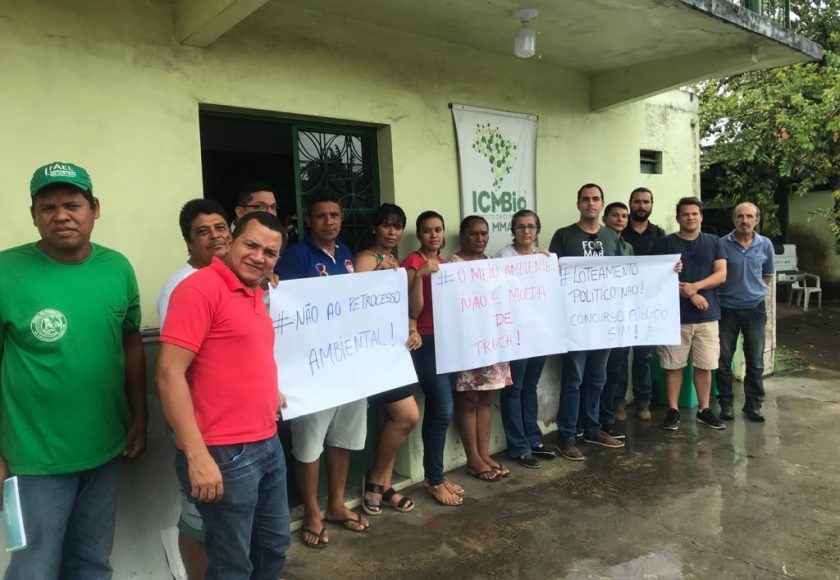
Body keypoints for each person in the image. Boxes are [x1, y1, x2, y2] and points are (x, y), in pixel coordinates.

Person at [0, 162, 146, 579]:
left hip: (104, 448)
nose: (60, 216)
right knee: (34, 567)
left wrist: (140, 416)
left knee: (91, 563)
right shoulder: (6, 271)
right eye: (47, 207)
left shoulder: (117, 267)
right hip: (33, 459)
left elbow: (131, 343)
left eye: (72, 204)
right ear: (33, 215)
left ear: (94, 208)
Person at [157, 211, 290, 580]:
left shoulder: (254, 291)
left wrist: (270, 390)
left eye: (270, 252)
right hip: (223, 452)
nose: (259, 256)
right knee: (231, 563)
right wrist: (197, 456)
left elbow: (238, 355)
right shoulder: (199, 289)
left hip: (266, 441)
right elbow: (169, 373)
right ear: (231, 241)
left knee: (273, 546)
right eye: (251, 245)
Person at [275, 191, 370, 548]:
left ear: (342, 217)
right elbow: (289, 312)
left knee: (342, 437)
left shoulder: (345, 253)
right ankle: (312, 511)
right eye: (321, 216)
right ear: (308, 220)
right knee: (309, 443)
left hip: (347, 364)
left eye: (334, 214)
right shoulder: (295, 257)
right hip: (313, 367)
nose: (329, 221)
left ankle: (336, 504)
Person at [156, 199, 232, 580]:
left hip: (233, 420)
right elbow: (174, 373)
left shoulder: (233, 278)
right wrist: (193, 444)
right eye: (203, 231)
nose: (215, 236)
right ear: (188, 241)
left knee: (225, 516)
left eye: (220, 227)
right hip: (200, 422)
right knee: (198, 517)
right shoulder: (182, 287)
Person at [549, 183, 625, 461]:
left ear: (602, 204)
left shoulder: (610, 237)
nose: (590, 203)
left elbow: (626, 273)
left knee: (597, 378)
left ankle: (592, 428)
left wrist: (669, 269)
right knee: (574, 379)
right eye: (585, 199)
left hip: (604, 321)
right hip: (575, 322)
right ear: (578, 203)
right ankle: (567, 436)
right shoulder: (564, 236)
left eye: (595, 199)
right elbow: (551, 275)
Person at [357, 203, 422, 516]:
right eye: (386, 225)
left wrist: (412, 328)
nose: (393, 231)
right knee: (407, 416)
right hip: (373, 351)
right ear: (375, 228)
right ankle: (375, 478)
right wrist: (374, 276)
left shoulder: (396, 260)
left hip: (395, 348)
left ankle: (384, 485)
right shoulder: (365, 259)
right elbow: (358, 301)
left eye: (397, 226)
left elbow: (404, 306)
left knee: (391, 420)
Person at [403, 211, 465, 506]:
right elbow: (413, 310)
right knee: (442, 409)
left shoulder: (447, 263)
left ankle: (434, 474)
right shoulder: (412, 263)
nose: (434, 235)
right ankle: (435, 479)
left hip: (448, 340)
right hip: (425, 341)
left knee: (441, 410)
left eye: (438, 230)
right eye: (427, 231)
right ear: (419, 234)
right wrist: (420, 276)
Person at [653, 196, 727, 432]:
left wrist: (695, 287)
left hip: (707, 316)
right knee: (673, 365)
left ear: (701, 217)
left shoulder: (714, 242)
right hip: (674, 317)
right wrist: (689, 293)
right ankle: (673, 410)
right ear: (678, 218)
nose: (690, 218)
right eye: (685, 214)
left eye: (695, 214)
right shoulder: (665, 244)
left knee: (704, 365)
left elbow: (721, 274)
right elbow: (657, 278)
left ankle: (704, 409)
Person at [451, 216, 512, 481]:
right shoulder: (452, 266)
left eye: (484, 234)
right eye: (474, 233)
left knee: (487, 397)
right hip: (469, 344)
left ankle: (484, 453)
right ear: (462, 235)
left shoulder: (492, 264)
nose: (479, 238)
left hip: (493, 341)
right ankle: (472, 458)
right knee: (469, 399)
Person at [496, 209, 556, 469]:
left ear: (537, 230)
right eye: (520, 227)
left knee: (530, 386)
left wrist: (547, 262)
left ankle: (533, 439)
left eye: (531, 226)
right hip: (514, 333)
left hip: (538, 333)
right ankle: (518, 446)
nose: (526, 231)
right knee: (514, 388)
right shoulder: (504, 257)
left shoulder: (542, 257)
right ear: (513, 230)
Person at [717, 202, 774, 422]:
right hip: (727, 309)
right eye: (740, 216)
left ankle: (753, 404)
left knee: (756, 360)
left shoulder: (765, 244)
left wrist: (755, 291)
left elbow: (767, 274)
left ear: (757, 220)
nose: (745, 220)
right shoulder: (722, 244)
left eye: (750, 216)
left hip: (755, 309)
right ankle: (726, 404)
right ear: (734, 219)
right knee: (723, 360)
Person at [620, 187, 667, 421]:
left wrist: (674, 268)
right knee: (618, 357)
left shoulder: (660, 234)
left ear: (651, 205)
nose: (641, 206)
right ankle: (618, 404)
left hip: (647, 306)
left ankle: (643, 403)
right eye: (637, 201)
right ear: (630, 203)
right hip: (619, 304)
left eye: (646, 202)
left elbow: (666, 266)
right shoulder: (617, 232)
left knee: (643, 357)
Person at [599, 202, 634, 440]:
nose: (620, 219)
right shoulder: (597, 243)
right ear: (605, 218)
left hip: (622, 317)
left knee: (616, 370)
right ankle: (596, 420)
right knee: (597, 374)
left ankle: (609, 416)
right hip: (597, 317)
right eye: (615, 215)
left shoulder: (629, 247)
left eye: (624, 216)